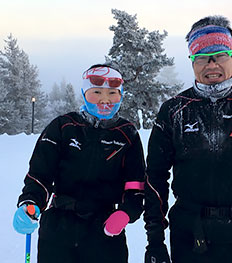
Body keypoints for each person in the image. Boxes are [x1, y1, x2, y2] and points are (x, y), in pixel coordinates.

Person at [144, 16, 232, 263]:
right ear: (192, 62)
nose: (211, 65)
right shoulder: (173, 110)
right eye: (201, 57)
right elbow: (155, 175)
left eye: (219, 54)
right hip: (189, 231)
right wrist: (155, 240)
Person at [13, 64, 146, 263]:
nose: (105, 99)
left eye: (112, 93)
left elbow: (135, 184)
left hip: (105, 229)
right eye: (97, 92)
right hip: (59, 227)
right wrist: (30, 202)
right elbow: (40, 174)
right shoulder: (63, 126)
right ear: (84, 93)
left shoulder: (127, 134)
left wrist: (126, 213)